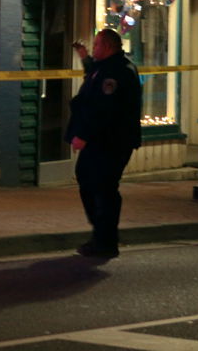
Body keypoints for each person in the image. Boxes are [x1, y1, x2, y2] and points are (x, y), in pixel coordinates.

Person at [67, 28, 142, 258]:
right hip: (103, 141)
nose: (94, 48)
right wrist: (84, 57)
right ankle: (102, 232)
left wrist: (84, 135)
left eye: (97, 44)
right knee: (88, 180)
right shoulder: (107, 67)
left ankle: (105, 240)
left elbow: (104, 109)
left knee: (104, 188)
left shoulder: (117, 72)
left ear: (109, 47)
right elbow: (94, 74)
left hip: (110, 142)